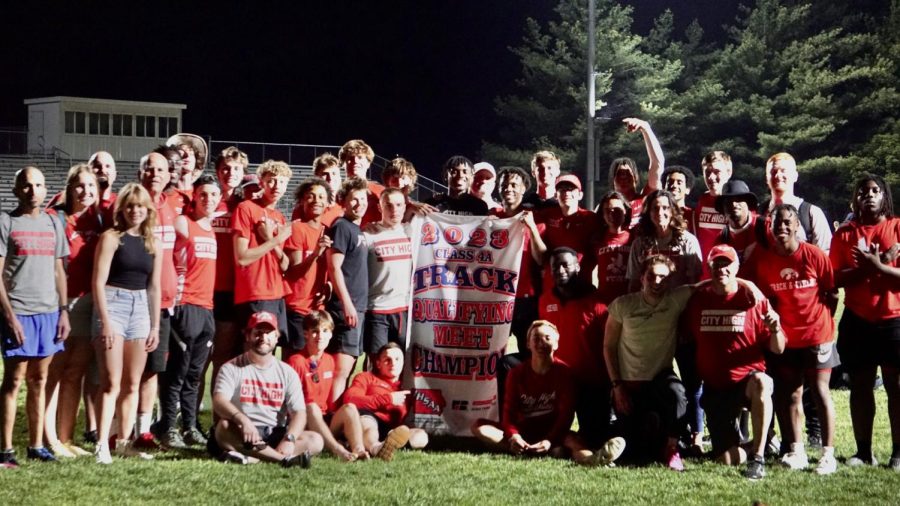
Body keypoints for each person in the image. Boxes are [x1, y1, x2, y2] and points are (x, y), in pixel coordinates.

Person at [740, 204, 839, 474]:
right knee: (790, 395)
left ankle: (827, 455)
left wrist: (818, 321)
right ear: (770, 227)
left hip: (818, 335)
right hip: (784, 339)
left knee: (820, 392)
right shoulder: (762, 259)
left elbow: (831, 294)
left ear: (797, 226)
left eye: (787, 222)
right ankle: (797, 450)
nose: (782, 227)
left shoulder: (814, 255)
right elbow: (747, 285)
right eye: (777, 223)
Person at [682, 244, 785, 480]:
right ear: (709, 268)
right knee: (724, 459)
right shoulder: (698, 300)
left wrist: (776, 328)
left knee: (762, 383)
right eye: (716, 264)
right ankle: (757, 444)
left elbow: (778, 348)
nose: (722, 269)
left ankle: (758, 458)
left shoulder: (752, 299)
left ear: (736, 267)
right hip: (716, 389)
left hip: (745, 380)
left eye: (726, 263)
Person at [473, 320, 625, 466]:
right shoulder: (516, 374)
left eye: (547, 338)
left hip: (553, 433)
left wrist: (549, 440)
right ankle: (528, 449)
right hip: (523, 432)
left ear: (556, 344)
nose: (541, 343)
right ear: (528, 344)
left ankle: (593, 460)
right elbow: (508, 412)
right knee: (480, 428)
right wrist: (515, 436)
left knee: (574, 441)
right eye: (536, 338)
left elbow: (565, 416)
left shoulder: (565, 373)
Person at [0, 167, 70, 467]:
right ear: (17, 189)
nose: (32, 191)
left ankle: (36, 445)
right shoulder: (6, 221)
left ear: (45, 189)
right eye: (26, 185)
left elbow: (58, 270)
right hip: (19, 311)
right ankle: (5, 449)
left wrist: (63, 311)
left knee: (40, 380)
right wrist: (10, 317)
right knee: (13, 381)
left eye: (38, 185)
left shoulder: (53, 222)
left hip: (48, 313)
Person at [830, 173, 900, 470]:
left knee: (896, 387)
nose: (869, 195)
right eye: (862, 191)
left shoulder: (897, 228)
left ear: (885, 196)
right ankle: (863, 451)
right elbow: (834, 277)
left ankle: (898, 454)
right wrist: (872, 266)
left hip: (894, 318)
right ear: (855, 199)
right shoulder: (845, 234)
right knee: (860, 386)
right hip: (858, 318)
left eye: (875, 190)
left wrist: (878, 265)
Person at [91, 183, 162, 464]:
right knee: (111, 382)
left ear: (148, 210)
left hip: (141, 309)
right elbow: (97, 281)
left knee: (133, 383)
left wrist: (155, 326)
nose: (135, 210)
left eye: (140, 206)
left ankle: (124, 441)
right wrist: (106, 322)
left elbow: (154, 287)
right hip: (114, 305)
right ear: (122, 208)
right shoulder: (111, 237)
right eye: (130, 205)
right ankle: (101, 443)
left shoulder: (153, 242)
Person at [604, 255, 692, 471]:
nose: (657, 281)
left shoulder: (675, 300)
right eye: (651, 276)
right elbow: (609, 347)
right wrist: (617, 387)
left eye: (663, 277)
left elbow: (712, 283)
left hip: (659, 382)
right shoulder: (623, 305)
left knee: (678, 392)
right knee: (635, 453)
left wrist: (750, 287)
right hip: (629, 385)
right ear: (641, 277)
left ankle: (672, 447)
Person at [44, 164, 104, 458]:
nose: (86, 191)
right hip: (61, 304)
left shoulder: (98, 219)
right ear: (69, 188)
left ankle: (65, 438)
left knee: (75, 374)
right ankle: (47, 437)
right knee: (53, 373)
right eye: (80, 186)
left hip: (89, 302)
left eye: (91, 186)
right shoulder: (55, 218)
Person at [210, 311, 323, 466]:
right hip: (243, 431)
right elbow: (219, 401)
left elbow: (299, 413)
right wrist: (242, 420)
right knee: (223, 428)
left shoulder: (287, 372)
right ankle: (282, 460)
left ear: (276, 338)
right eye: (258, 333)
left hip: (274, 433)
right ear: (248, 336)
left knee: (315, 440)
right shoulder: (231, 368)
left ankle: (253, 457)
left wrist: (289, 439)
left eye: (269, 333)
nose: (263, 338)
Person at [158, 175, 221, 449]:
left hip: (207, 308)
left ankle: (190, 426)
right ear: (194, 196)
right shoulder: (184, 223)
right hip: (185, 305)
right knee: (177, 373)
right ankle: (167, 426)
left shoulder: (210, 228)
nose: (208, 199)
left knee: (196, 374)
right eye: (203, 194)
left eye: (214, 195)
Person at [538, 248, 610, 446]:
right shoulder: (545, 301)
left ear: (577, 267)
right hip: (559, 382)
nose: (560, 270)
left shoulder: (596, 300)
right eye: (555, 267)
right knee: (550, 436)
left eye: (565, 265)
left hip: (592, 383)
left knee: (595, 439)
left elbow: (610, 343)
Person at [133, 151, 179, 449]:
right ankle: (114, 429)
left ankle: (143, 430)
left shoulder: (172, 205)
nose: (155, 174)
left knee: (152, 370)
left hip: (163, 303)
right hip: (135, 299)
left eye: (160, 169)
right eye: (149, 169)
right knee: (130, 370)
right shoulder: (133, 205)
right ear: (141, 173)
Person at [287, 311, 368, 462]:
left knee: (349, 407)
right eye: (315, 332)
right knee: (311, 406)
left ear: (331, 334)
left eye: (325, 331)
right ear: (305, 334)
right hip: (303, 421)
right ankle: (338, 450)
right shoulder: (295, 361)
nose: (320, 336)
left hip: (324, 419)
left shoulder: (330, 360)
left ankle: (359, 450)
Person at [231, 160, 292, 352]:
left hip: (276, 292)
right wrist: (274, 240)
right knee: (254, 352)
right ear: (262, 183)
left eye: (281, 182)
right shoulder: (246, 208)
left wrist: (271, 240)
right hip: (255, 291)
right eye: (271, 181)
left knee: (268, 354)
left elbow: (284, 265)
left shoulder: (279, 217)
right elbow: (241, 257)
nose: (276, 186)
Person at [492, 167, 547, 372]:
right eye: (504, 184)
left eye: (514, 184)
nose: (509, 188)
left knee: (529, 353)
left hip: (525, 298)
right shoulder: (491, 217)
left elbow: (541, 259)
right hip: (497, 298)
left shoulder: (534, 220)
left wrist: (532, 228)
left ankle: (529, 398)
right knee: (491, 353)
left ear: (524, 189)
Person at [208, 146, 248, 400]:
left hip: (233, 290)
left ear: (243, 172)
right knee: (200, 358)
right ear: (217, 171)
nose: (230, 173)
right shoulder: (207, 198)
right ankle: (187, 417)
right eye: (225, 168)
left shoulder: (244, 205)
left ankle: (219, 413)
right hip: (204, 288)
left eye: (236, 169)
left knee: (226, 356)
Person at [343, 343, 429, 460]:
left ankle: (388, 444)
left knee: (421, 436)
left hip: (389, 429)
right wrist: (388, 399)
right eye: (387, 360)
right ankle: (376, 448)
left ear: (403, 362)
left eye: (397, 359)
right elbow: (350, 399)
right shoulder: (366, 377)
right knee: (370, 425)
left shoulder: (405, 389)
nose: (393, 363)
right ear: (378, 364)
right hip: (367, 418)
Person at [326, 177, 370, 401]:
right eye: (354, 199)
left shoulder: (356, 229)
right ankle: (330, 422)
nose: (359, 203)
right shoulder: (341, 226)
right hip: (347, 308)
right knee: (340, 370)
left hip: (357, 307)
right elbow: (334, 267)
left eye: (363, 199)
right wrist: (347, 304)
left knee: (348, 366)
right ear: (343, 201)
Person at [361, 188, 419, 358]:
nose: (394, 210)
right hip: (377, 309)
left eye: (399, 205)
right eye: (389, 205)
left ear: (405, 207)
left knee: (403, 363)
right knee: (376, 362)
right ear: (380, 208)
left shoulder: (411, 231)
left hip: (404, 309)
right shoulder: (369, 235)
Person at [283, 177, 333, 357]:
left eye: (321, 197)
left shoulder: (328, 230)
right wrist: (315, 254)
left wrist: (329, 285)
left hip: (317, 309)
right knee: (294, 362)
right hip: (296, 306)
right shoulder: (297, 229)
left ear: (328, 202)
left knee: (313, 362)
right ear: (302, 200)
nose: (316, 201)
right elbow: (293, 271)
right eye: (310, 196)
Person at [626, 190, 702, 292]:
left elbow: (694, 282)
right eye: (655, 208)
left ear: (673, 211)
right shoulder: (639, 244)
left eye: (665, 208)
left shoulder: (688, 241)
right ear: (648, 212)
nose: (660, 212)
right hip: (647, 304)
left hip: (678, 303)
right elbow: (634, 282)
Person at [760, 153, 832, 253]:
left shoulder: (811, 213)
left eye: (783, 170)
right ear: (766, 178)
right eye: (773, 171)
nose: (778, 175)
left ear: (795, 176)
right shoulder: (759, 214)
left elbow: (824, 255)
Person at [539, 174, 599, 287]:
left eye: (571, 189)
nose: (566, 193)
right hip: (552, 282)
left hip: (581, 280)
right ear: (555, 195)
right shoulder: (547, 215)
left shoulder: (590, 218)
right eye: (562, 190)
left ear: (580, 195)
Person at [606, 118, 664, 225]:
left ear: (636, 178)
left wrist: (646, 129)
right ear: (612, 180)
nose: (624, 177)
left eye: (628, 174)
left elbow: (657, 165)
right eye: (619, 174)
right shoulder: (604, 207)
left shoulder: (645, 200)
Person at [692, 151, 733, 276]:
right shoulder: (702, 201)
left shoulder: (738, 202)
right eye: (707, 173)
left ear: (729, 172)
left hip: (728, 276)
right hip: (703, 276)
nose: (711, 177)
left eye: (717, 171)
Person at [593, 190, 634, 305]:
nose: (612, 214)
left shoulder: (634, 238)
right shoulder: (597, 239)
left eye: (617, 210)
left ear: (625, 210)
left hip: (629, 301)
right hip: (604, 302)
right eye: (607, 210)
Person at [425, 156, 489, 216]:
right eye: (454, 172)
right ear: (445, 176)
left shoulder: (480, 206)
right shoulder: (432, 204)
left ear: (471, 177)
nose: (460, 175)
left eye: (465, 172)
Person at [713, 180, 760, 261]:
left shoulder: (765, 227)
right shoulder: (721, 239)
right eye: (728, 201)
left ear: (748, 203)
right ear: (723, 209)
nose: (733, 204)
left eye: (739, 199)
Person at [339, 139, 383, 226]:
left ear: (368, 163)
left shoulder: (380, 192)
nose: (355, 161)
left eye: (360, 157)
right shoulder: (337, 192)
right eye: (350, 158)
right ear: (343, 164)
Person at [292, 153, 344, 226]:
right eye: (325, 174)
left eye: (334, 174)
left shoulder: (345, 206)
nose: (331, 178)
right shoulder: (304, 206)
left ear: (340, 178)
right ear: (316, 177)